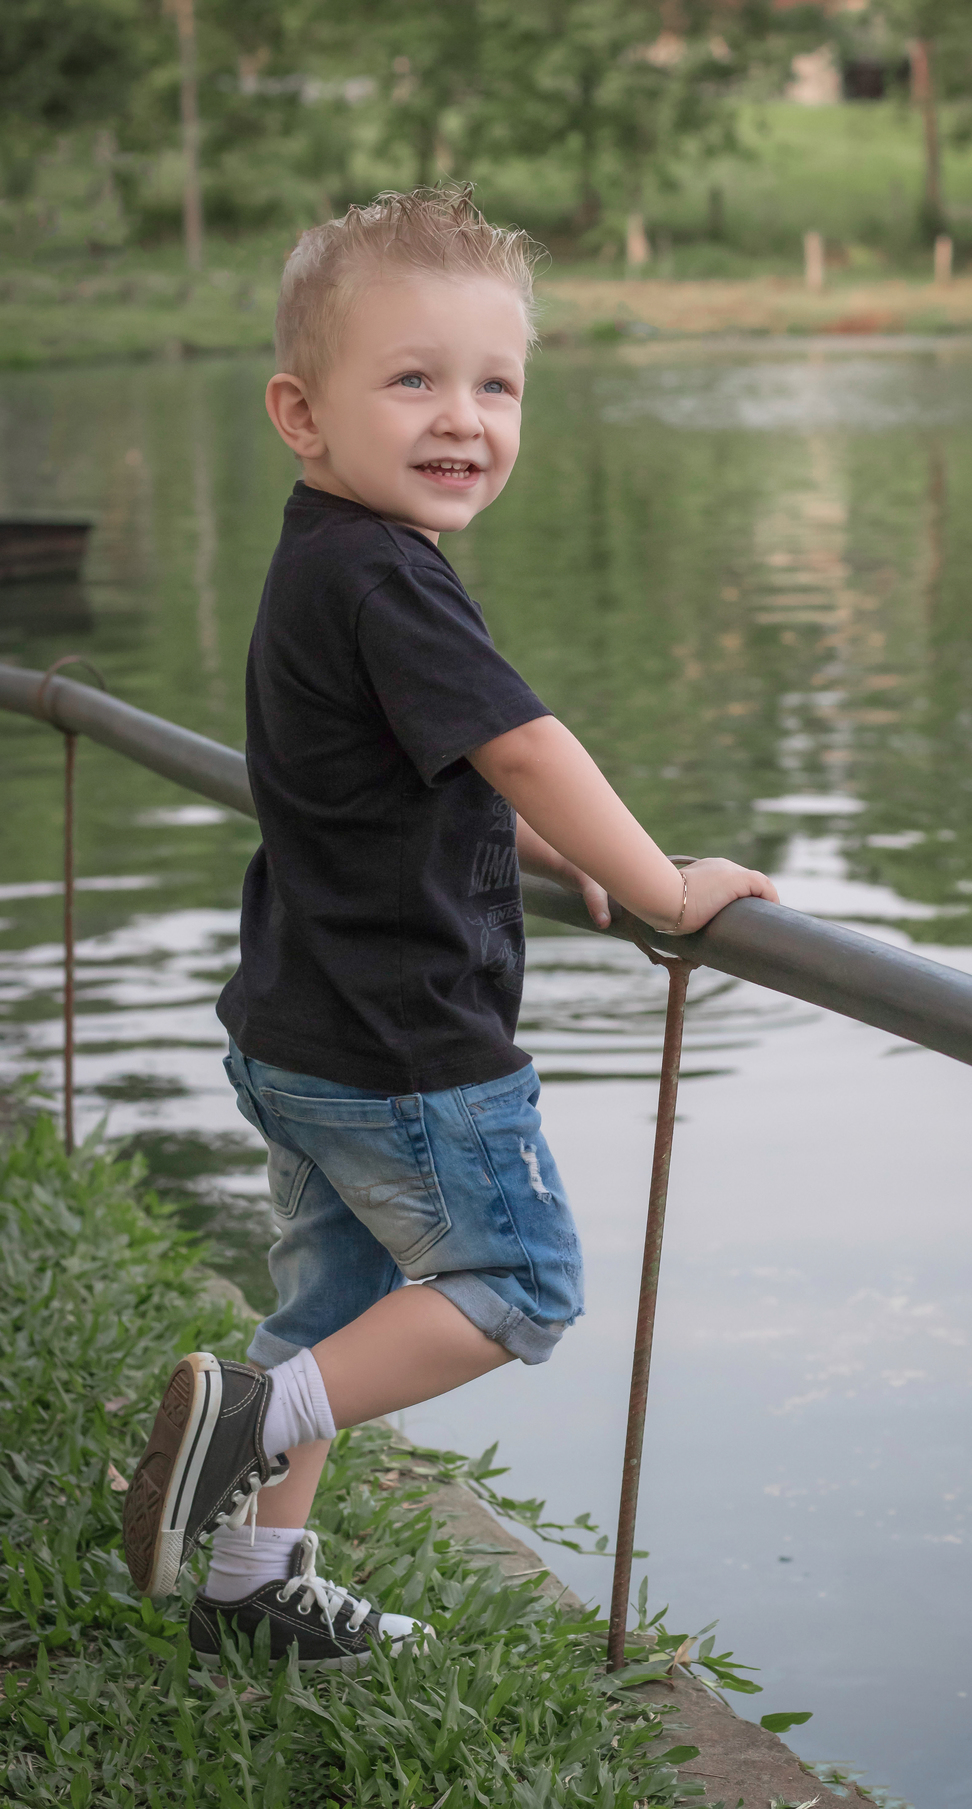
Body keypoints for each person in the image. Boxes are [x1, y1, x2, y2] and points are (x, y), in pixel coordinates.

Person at [121, 185, 778, 1670]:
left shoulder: (324, 562)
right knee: (522, 1281)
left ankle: (254, 1573)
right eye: (411, 378)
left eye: (497, 384)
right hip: (408, 1044)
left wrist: (561, 859)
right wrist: (668, 890)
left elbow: (432, 782)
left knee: (344, 1298)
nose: (462, 417)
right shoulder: (391, 577)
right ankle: (251, 1413)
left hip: (301, 1021)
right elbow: (525, 745)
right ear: (302, 411)